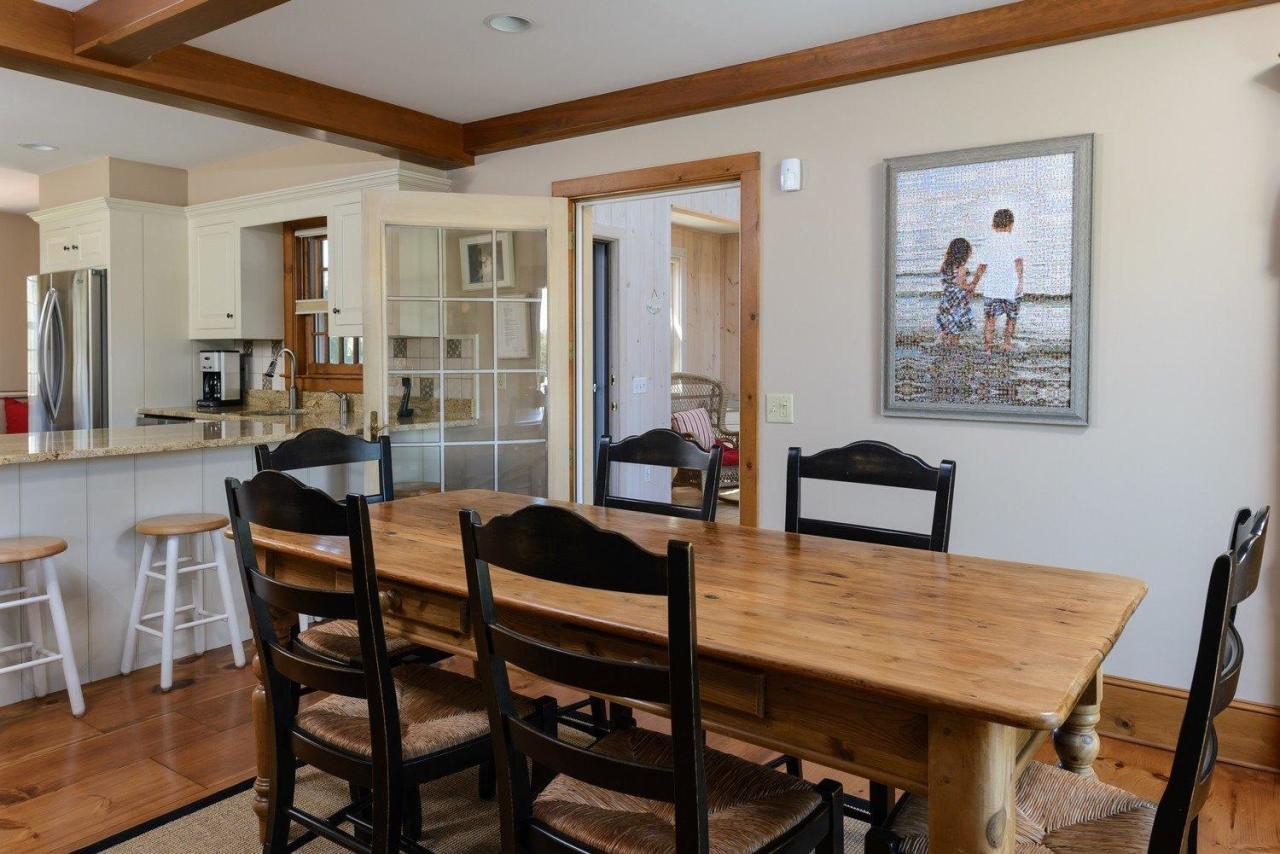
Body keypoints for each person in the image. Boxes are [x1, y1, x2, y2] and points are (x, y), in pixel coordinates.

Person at [974, 208, 1025, 353]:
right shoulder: (1015, 240)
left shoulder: (988, 242)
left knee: (990, 319)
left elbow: (982, 266)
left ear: (993, 225)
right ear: (1011, 225)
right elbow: (1019, 263)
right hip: (1011, 288)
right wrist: (1020, 282)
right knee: (1011, 318)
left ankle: (988, 347)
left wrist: (974, 283)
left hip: (992, 289)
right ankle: (1007, 343)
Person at [935, 237, 978, 348]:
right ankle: (953, 347)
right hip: (957, 303)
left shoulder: (944, 266)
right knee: (956, 329)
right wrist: (971, 287)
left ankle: (942, 343)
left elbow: (946, 282)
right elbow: (961, 285)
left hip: (945, 301)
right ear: (964, 254)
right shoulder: (961, 268)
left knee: (946, 325)